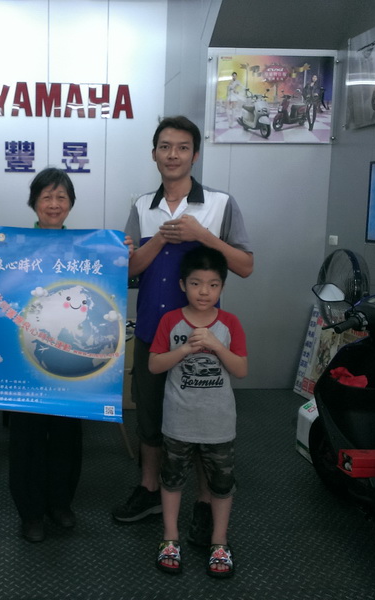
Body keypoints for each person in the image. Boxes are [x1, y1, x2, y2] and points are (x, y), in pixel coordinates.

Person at [112, 116, 253, 535]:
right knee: (150, 417)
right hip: (152, 332)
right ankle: (150, 489)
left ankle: (204, 503)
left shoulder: (221, 203)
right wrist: (159, 239)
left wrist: (202, 235)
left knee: (202, 420)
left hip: (203, 336)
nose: (172, 155)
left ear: (195, 154)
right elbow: (127, 269)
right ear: (154, 153)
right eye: (165, 147)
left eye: (182, 147)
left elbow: (245, 265)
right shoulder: (142, 206)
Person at [0, 167, 112, 543]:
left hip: (70, 360)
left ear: (71, 204)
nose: (54, 204)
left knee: (67, 435)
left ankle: (61, 504)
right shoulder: (13, 248)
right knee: (27, 439)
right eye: (46, 196)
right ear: (34, 202)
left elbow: (108, 283)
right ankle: (31, 512)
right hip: (26, 362)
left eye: (61, 197)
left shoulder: (88, 249)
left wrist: (122, 251)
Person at [149, 246, 247, 578]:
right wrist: (184, 349)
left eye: (213, 284)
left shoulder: (230, 323)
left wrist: (217, 346)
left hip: (219, 424)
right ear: (182, 285)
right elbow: (154, 365)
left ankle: (219, 541)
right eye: (195, 283)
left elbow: (241, 370)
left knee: (222, 484)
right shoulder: (170, 321)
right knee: (172, 480)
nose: (204, 292)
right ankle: (170, 537)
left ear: (222, 287)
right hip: (178, 421)